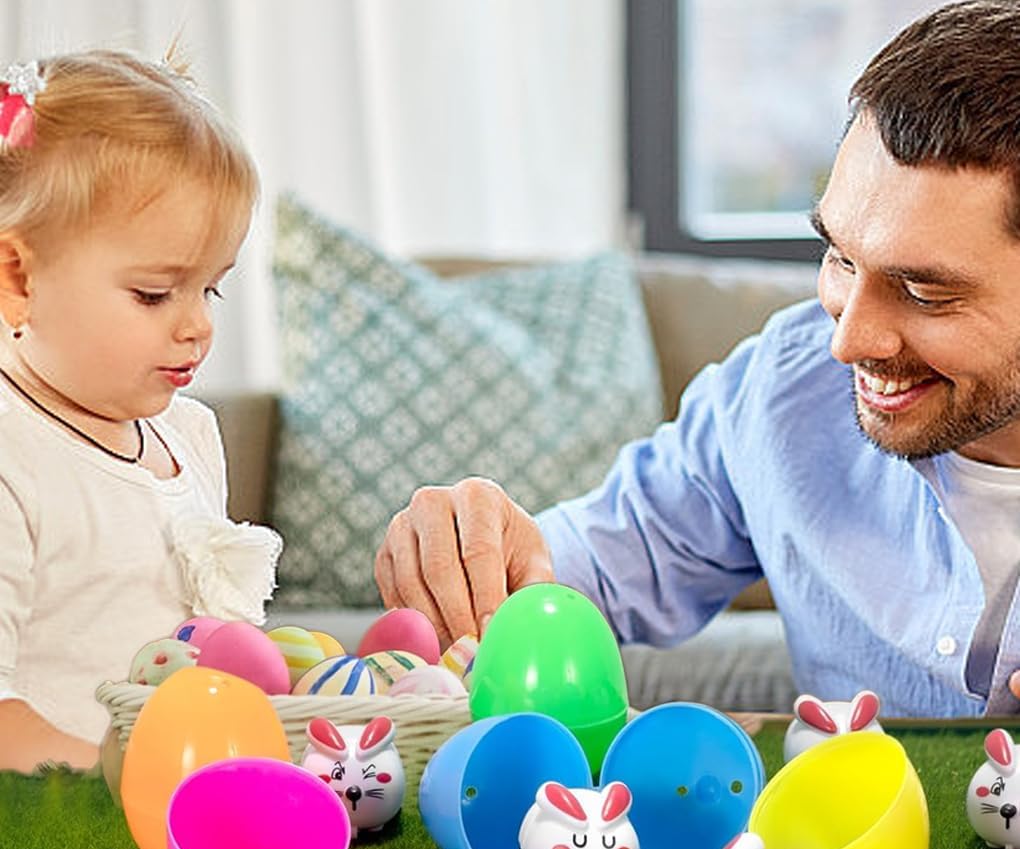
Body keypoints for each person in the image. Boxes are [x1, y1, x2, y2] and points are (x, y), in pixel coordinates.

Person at [376, 0, 1020, 720]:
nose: (847, 341)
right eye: (840, 257)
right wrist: (480, 550)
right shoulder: (782, 392)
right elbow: (589, 562)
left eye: (924, 292)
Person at [0, 50, 280, 772]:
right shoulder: (13, 454)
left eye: (210, 289)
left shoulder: (190, 434)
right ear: (19, 278)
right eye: (155, 294)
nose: (198, 326)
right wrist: (135, 785)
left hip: (178, 809)